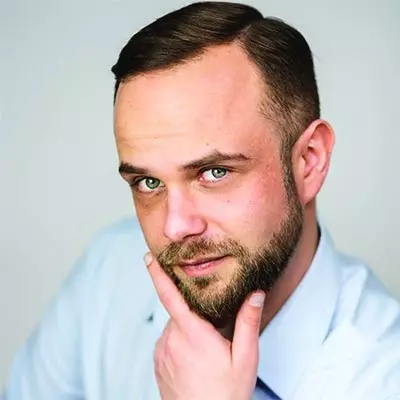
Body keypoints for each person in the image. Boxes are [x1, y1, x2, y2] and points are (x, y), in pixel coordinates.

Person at [4, 2, 400, 399]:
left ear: (309, 162)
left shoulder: (383, 377)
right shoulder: (108, 274)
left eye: (214, 173)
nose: (175, 227)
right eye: (148, 182)